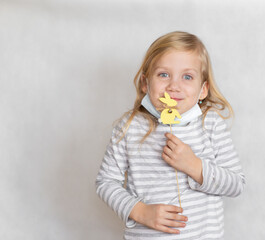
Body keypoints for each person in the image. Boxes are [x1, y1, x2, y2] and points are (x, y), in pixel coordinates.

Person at [96, 31, 245, 239]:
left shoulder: (210, 124)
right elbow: (105, 182)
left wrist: (194, 166)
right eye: (164, 74)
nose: (174, 86)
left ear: (203, 90)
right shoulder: (129, 127)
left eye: (187, 77)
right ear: (145, 83)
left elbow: (236, 184)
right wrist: (140, 211)